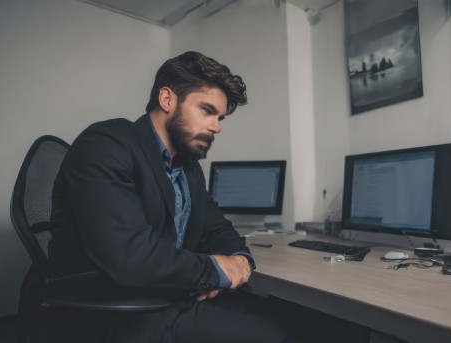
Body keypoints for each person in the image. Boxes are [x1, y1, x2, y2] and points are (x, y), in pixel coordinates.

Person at [45, 51, 295, 342]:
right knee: (276, 335)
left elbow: (217, 228)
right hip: (119, 311)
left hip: (168, 294)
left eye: (220, 117)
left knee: (287, 315)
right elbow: (130, 257)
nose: (217, 126)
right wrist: (213, 270)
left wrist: (240, 259)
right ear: (167, 99)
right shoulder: (105, 145)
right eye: (207, 110)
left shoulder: (188, 169)